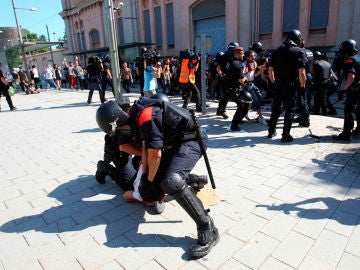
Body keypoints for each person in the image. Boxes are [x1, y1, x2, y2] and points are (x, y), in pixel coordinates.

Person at [95, 97, 219, 258]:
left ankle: (207, 227)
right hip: (175, 144)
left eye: (120, 128)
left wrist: (149, 181)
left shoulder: (145, 115)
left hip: (191, 141)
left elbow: (155, 154)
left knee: (171, 181)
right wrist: (146, 177)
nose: (122, 132)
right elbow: (147, 150)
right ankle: (189, 181)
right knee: (157, 185)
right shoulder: (137, 118)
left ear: (120, 118)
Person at [267, 29, 307, 142]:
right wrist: (303, 85)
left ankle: (271, 131)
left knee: (276, 108)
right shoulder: (299, 51)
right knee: (289, 109)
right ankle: (286, 135)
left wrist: (274, 80)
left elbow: (270, 70)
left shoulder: (277, 51)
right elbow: (302, 72)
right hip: (290, 84)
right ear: (297, 39)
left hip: (278, 83)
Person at [333, 39, 360, 141]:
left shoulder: (350, 60)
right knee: (358, 110)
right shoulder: (358, 58)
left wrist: (344, 90)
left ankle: (346, 134)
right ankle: (358, 130)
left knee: (349, 110)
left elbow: (351, 77)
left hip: (354, 89)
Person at [222, 46, 253, 131]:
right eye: (242, 54)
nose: (243, 56)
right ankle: (234, 124)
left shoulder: (230, 61)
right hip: (234, 88)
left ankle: (236, 120)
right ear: (238, 54)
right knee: (245, 104)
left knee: (240, 104)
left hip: (228, 86)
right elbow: (242, 80)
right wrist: (245, 78)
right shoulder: (237, 64)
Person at [216, 42, 240, 119]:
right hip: (224, 79)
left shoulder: (236, 56)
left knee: (225, 95)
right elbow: (218, 68)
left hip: (233, 79)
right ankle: (222, 111)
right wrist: (222, 75)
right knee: (226, 95)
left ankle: (220, 110)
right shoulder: (224, 56)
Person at [312, 51, 332, 115]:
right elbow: (330, 75)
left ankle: (316, 111)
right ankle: (324, 112)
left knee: (317, 97)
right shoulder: (328, 63)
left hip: (319, 82)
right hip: (326, 81)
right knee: (323, 97)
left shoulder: (317, 63)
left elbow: (313, 72)